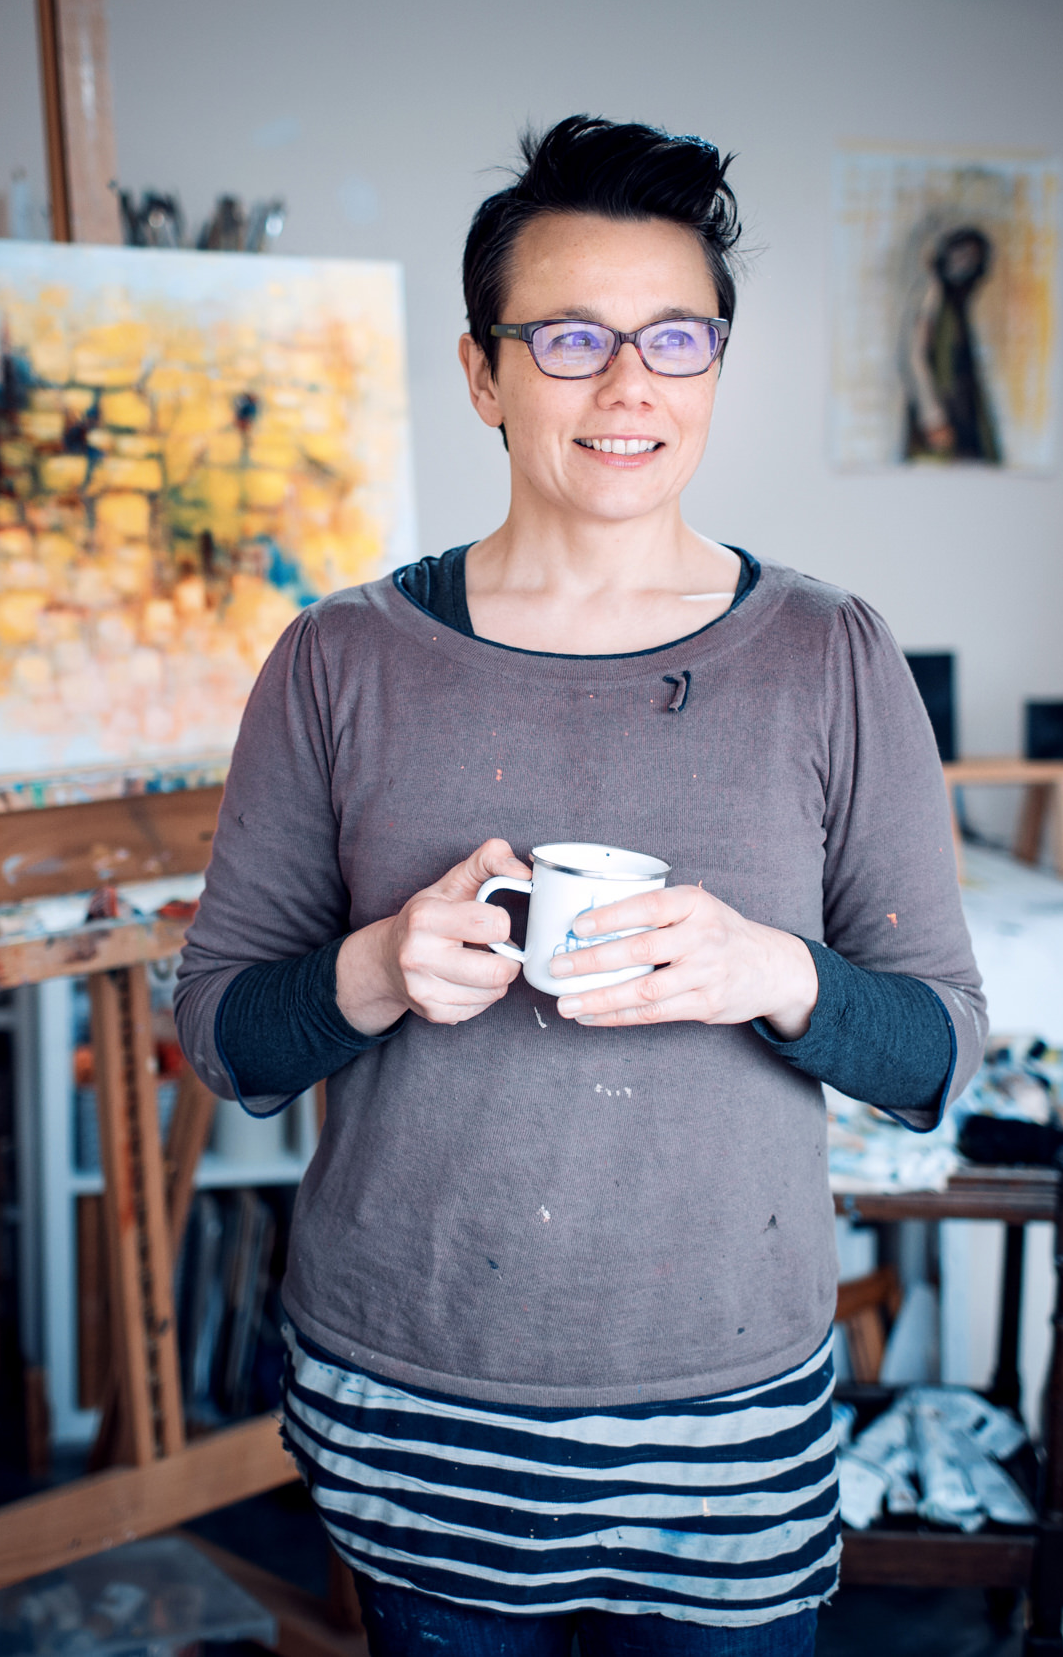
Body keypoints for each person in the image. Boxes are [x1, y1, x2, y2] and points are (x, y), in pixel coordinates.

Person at [175, 115, 986, 1657]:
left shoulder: (832, 652)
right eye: (571, 338)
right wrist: (377, 969)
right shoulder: (339, 658)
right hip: (415, 1397)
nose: (630, 385)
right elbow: (224, 1034)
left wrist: (775, 973)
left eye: (675, 338)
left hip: (727, 1411)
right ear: (483, 374)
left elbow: (940, 1049)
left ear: (716, 368)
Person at [902, 224, 1001, 464]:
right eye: (959, 254)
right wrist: (932, 416)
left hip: (964, 409)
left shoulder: (960, 300)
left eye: (971, 258)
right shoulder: (931, 290)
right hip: (940, 414)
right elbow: (913, 355)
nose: (963, 263)